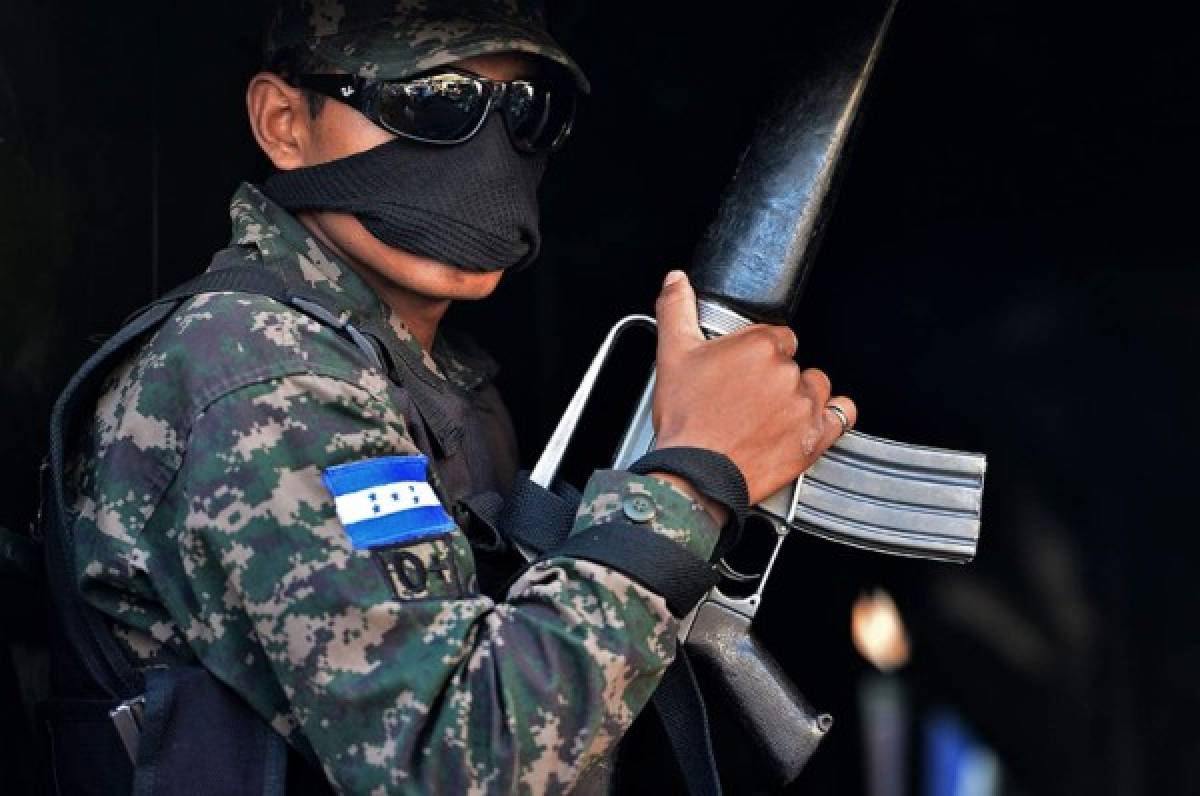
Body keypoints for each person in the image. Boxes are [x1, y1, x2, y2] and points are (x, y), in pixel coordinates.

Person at [59, 1, 856, 792]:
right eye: (434, 102)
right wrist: (692, 482)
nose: (487, 156)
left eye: (527, 112)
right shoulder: (258, 370)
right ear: (283, 121)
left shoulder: (437, 383)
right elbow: (450, 761)